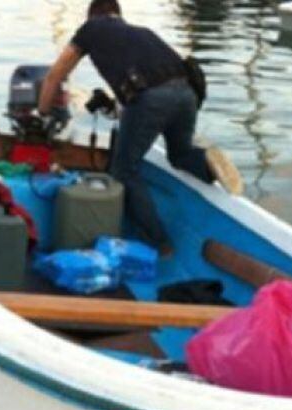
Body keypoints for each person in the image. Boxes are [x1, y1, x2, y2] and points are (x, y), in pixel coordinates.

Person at [36, 0, 243, 257]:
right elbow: (149, 86)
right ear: (119, 16)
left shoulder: (91, 28)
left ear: (93, 15)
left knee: (124, 170)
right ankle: (208, 164)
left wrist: (42, 114)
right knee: (179, 155)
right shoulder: (143, 33)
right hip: (187, 92)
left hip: (151, 99)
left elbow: (55, 76)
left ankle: (159, 241)